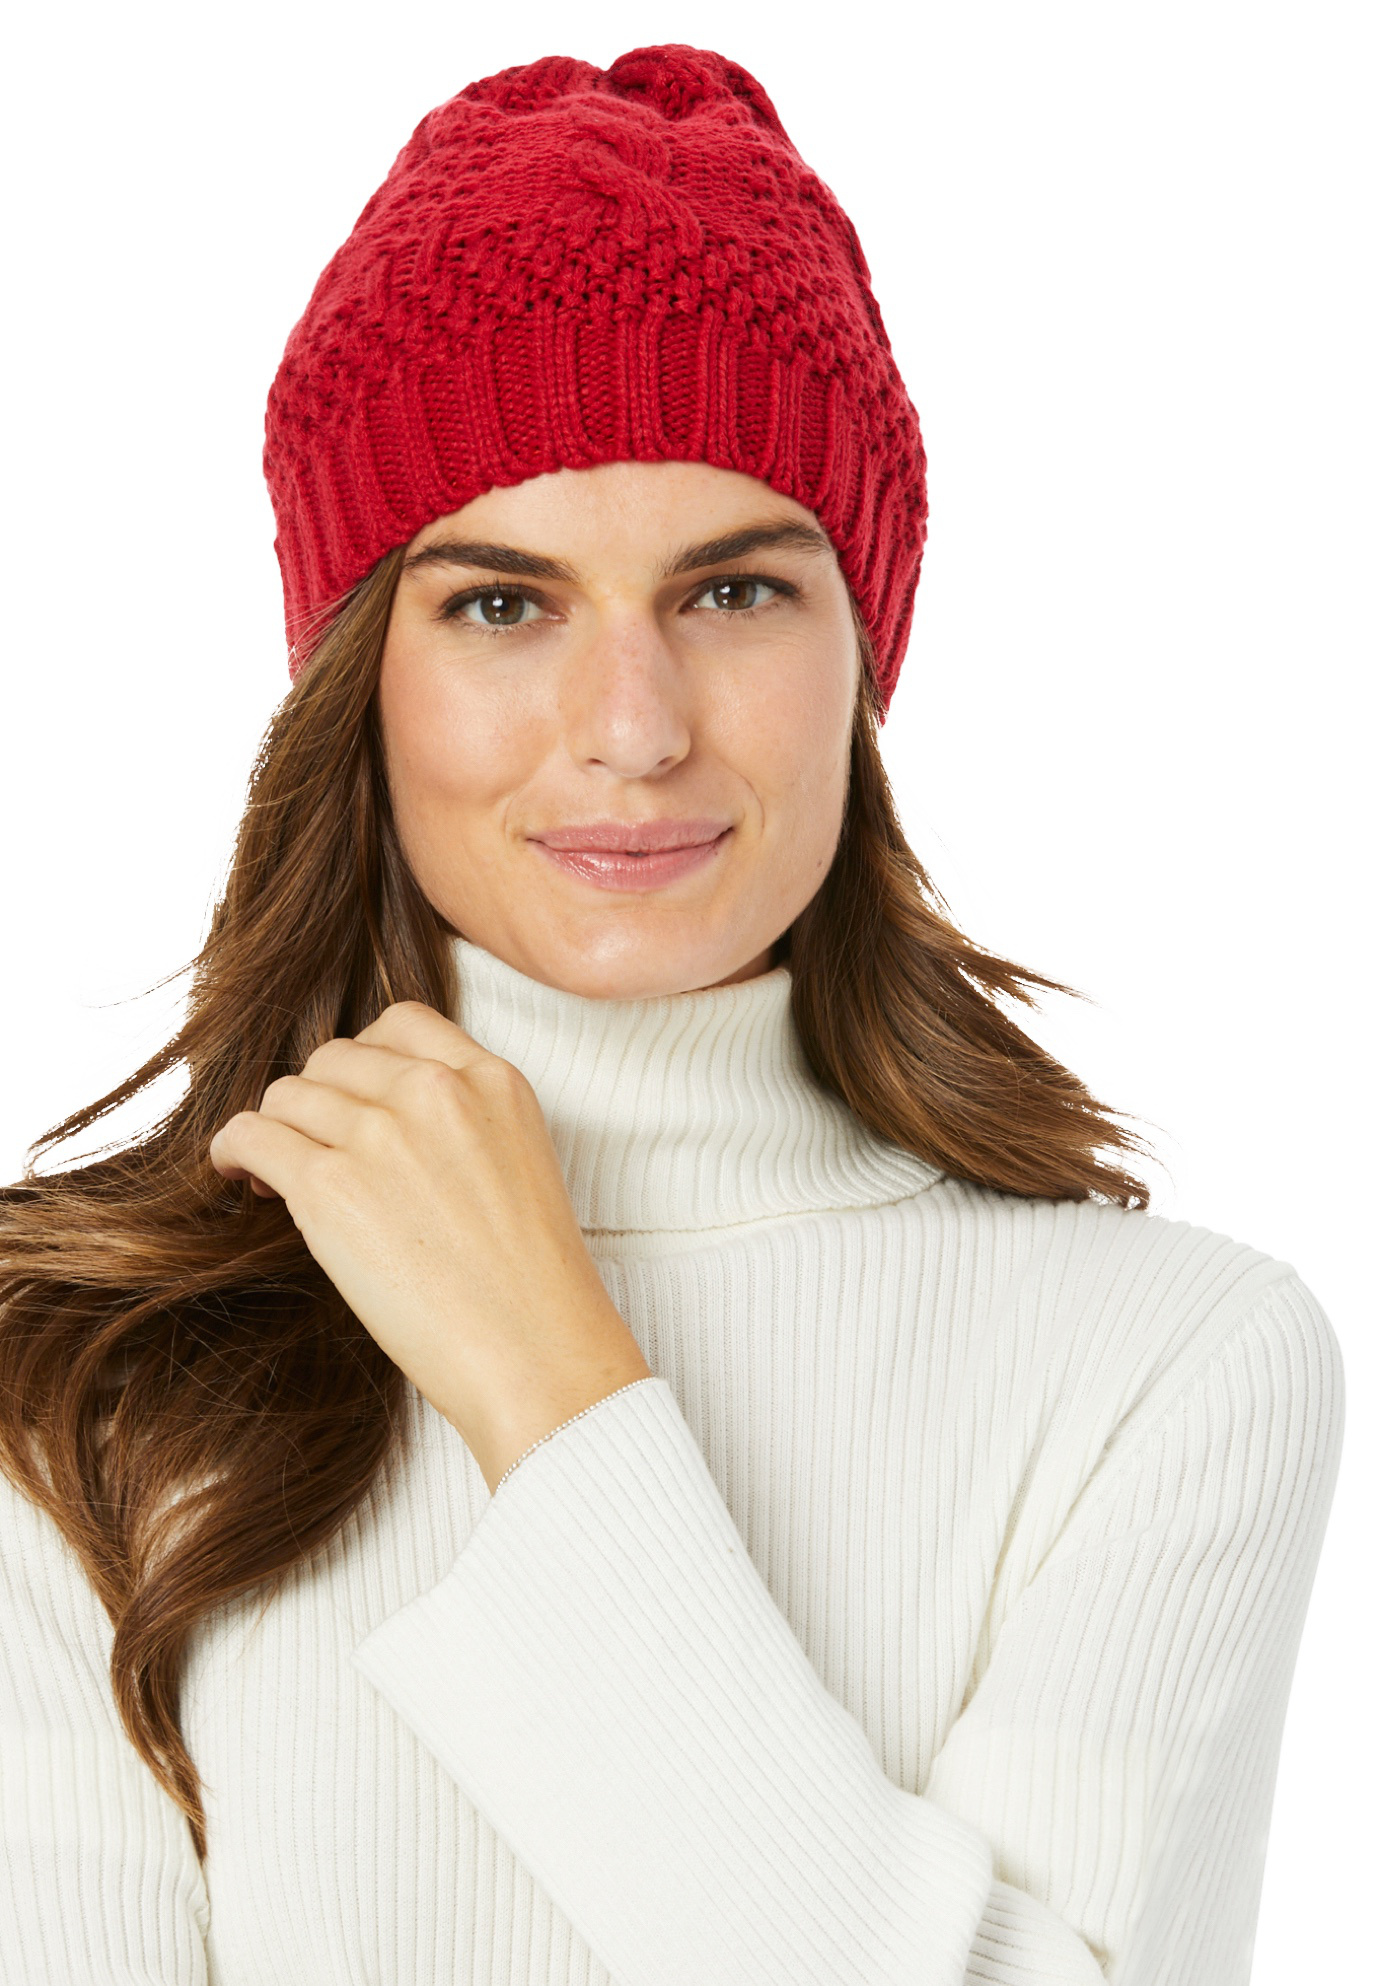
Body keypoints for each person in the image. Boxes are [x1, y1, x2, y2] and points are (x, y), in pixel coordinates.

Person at [0, 42, 1344, 1986]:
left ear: (861, 648)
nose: (632, 728)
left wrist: (551, 1387)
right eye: (501, 604)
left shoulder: (1172, 1369)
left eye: (732, 594)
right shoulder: (79, 1377)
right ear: (359, 676)